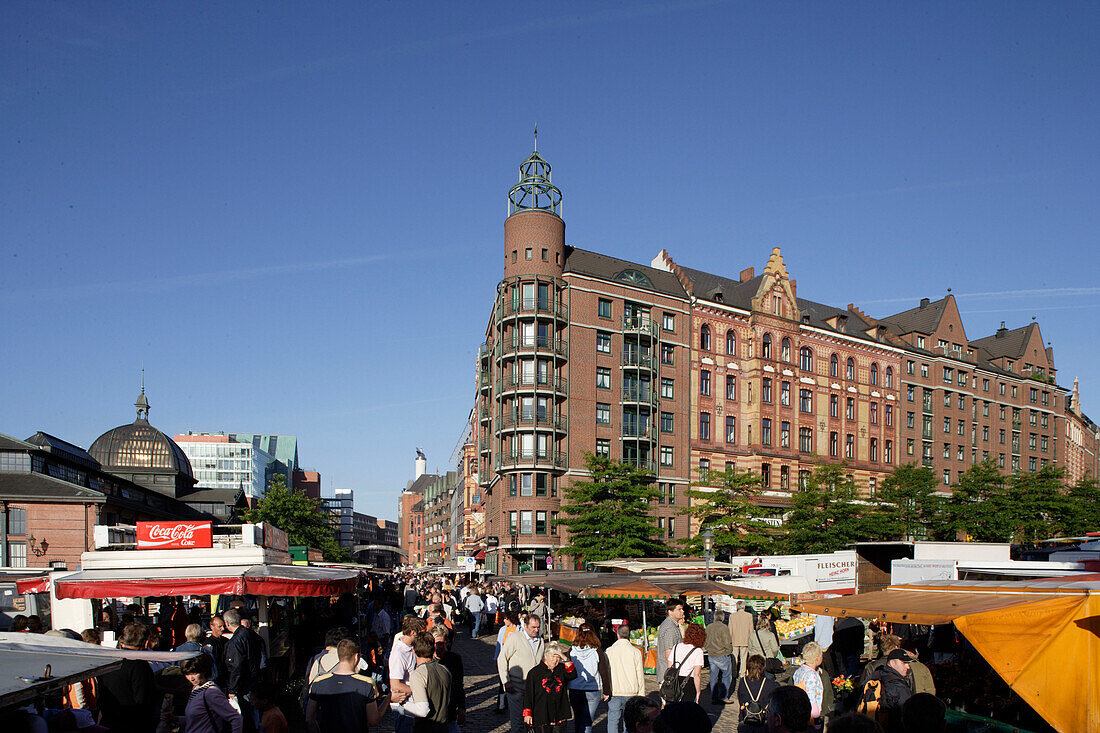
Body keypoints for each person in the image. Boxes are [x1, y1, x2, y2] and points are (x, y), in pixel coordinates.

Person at [306, 638, 390, 733]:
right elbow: (373, 720)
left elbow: (309, 718)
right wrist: (388, 699)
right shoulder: (367, 684)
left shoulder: (319, 682)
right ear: (356, 657)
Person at [97, 623, 160, 733]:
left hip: (110, 722)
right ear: (145, 643)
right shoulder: (139, 666)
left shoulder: (109, 662)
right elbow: (143, 701)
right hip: (133, 723)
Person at [498, 613, 547, 733]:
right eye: (533, 627)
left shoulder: (540, 640)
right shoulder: (514, 638)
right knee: (518, 721)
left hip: (535, 689)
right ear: (525, 626)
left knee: (534, 721)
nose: (536, 630)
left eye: (538, 627)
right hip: (516, 687)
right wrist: (506, 681)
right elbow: (502, 659)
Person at [180, 653, 243, 733]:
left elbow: (235, 718)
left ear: (204, 671)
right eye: (187, 674)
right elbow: (196, 720)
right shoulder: (196, 689)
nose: (191, 678)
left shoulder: (210, 692)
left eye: (195, 673)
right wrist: (176, 719)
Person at [523, 643, 578, 733]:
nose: (555, 660)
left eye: (558, 658)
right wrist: (527, 713)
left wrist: (564, 658)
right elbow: (529, 694)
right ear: (546, 656)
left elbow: (573, 674)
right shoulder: (534, 673)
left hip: (559, 712)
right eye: (553, 657)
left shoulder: (561, 669)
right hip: (542, 713)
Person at [223, 609, 262, 733]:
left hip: (244, 684)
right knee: (253, 714)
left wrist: (232, 689)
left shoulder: (236, 641)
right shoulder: (251, 634)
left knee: (245, 716)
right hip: (253, 679)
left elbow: (236, 667)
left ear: (227, 623)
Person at [405, 631, 452, 733]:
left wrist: (403, 705)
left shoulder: (418, 674)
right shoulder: (445, 670)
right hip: (443, 727)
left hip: (426, 727)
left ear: (413, 650)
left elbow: (423, 710)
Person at [567, 626, 611, 733]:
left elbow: (567, 669)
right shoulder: (597, 651)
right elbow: (604, 673)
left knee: (578, 718)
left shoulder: (572, 650)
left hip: (575, 688)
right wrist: (606, 690)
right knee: (587, 720)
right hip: (592, 689)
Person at [390, 615, 428, 733]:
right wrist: (418, 690)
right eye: (421, 634)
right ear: (412, 633)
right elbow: (395, 685)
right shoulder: (399, 654)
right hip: (405, 706)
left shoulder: (410, 648)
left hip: (412, 703)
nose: (423, 637)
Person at [605, 625, 645, 733]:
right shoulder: (635, 652)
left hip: (615, 690)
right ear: (629, 636)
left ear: (617, 635)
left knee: (613, 720)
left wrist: (605, 690)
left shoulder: (609, 651)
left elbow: (606, 673)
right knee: (629, 722)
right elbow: (640, 674)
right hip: (631, 691)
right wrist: (641, 694)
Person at [431, 625, 466, 732]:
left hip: (450, 713)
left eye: (441, 643)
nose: (437, 647)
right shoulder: (426, 661)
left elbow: (459, 685)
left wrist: (461, 707)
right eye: (435, 643)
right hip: (431, 716)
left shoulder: (455, 659)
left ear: (447, 642)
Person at [868, 650, 913, 732]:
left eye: (908, 663)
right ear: (892, 663)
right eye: (904, 663)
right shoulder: (899, 687)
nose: (908, 667)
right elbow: (908, 715)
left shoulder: (875, 675)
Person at [666, 622, 706, 705]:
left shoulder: (676, 646)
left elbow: (669, 667)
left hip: (674, 682)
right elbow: (697, 675)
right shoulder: (698, 651)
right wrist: (698, 692)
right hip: (688, 683)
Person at [736, 655, 777, 732]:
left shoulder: (743, 681)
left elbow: (740, 698)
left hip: (745, 719)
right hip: (762, 721)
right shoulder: (769, 683)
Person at [704, 610, 735, 705]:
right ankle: (723, 696)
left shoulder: (708, 627)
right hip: (722, 654)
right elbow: (727, 642)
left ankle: (714, 697)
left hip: (712, 654)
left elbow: (705, 641)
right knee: (726, 676)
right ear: (723, 617)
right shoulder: (724, 627)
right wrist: (728, 652)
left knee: (713, 677)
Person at [791, 641, 825, 723]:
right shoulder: (811, 675)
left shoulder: (798, 671)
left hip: (800, 711)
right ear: (817, 658)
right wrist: (816, 717)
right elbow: (811, 698)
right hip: (810, 716)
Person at [656, 599, 686, 680]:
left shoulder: (672, 625)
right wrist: (671, 675)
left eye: (682, 609)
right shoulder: (670, 628)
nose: (682, 611)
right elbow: (668, 653)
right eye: (679, 609)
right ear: (670, 611)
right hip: (669, 675)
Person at [728, 601, 753, 678]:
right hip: (745, 640)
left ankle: (734, 673)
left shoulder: (732, 616)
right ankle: (742, 673)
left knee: (734, 657)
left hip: (734, 640)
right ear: (744, 607)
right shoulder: (749, 616)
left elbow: (730, 629)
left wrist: (730, 640)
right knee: (744, 657)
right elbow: (751, 629)